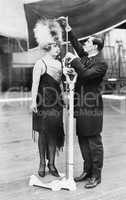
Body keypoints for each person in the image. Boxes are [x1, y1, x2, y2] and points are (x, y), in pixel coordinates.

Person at [59, 17, 108, 188]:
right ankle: (87, 171)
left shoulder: (101, 63)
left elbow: (86, 75)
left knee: (94, 141)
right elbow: (76, 44)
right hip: (81, 105)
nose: (84, 43)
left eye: (87, 42)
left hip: (92, 107)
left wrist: (74, 60)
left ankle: (96, 175)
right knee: (83, 139)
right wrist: (68, 28)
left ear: (94, 46)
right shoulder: (87, 56)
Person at [31, 19, 64, 178]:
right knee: (43, 134)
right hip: (43, 104)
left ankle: (52, 164)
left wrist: (64, 97)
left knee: (54, 133)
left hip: (56, 104)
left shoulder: (60, 64)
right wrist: (32, 102)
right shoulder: (40, 63)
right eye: (56, 46)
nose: (58, 48)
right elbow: (35, 84)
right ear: (49, 47)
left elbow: (62, 85)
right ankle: (42, 164)